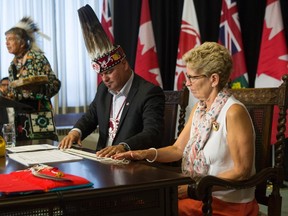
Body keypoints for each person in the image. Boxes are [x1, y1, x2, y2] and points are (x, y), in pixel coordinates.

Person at [113, 42, 259, 216]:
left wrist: (192, 189)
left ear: (213, 79)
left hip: (226, 204)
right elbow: (177, 149)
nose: (187, 84)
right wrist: (144, 154)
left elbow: (242, 171)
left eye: (192, 78)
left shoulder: (234, 112)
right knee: (141, 203)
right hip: (199, 196)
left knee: (153, 209)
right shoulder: (199, 108)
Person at [58, 5, 165, 157]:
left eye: (109, 72)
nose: (105, 79)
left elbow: (152, 133)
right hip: (103, 162)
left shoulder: (148, 93)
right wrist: (75, 132)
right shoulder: (103, 89)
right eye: (101, 74)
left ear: (125, 65)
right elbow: (90, 117)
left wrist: (124, 147)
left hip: (132, 164)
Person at [5, 17, 61, 141]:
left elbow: (55, 84)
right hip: (20, 120)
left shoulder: (37, 58)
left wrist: (37, 89)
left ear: (22, 42)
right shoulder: (12, 65)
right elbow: (13, 93)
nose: (6, 43)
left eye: (10, 39)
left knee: (44, 153)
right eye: (6, 39)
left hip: (40, 117)